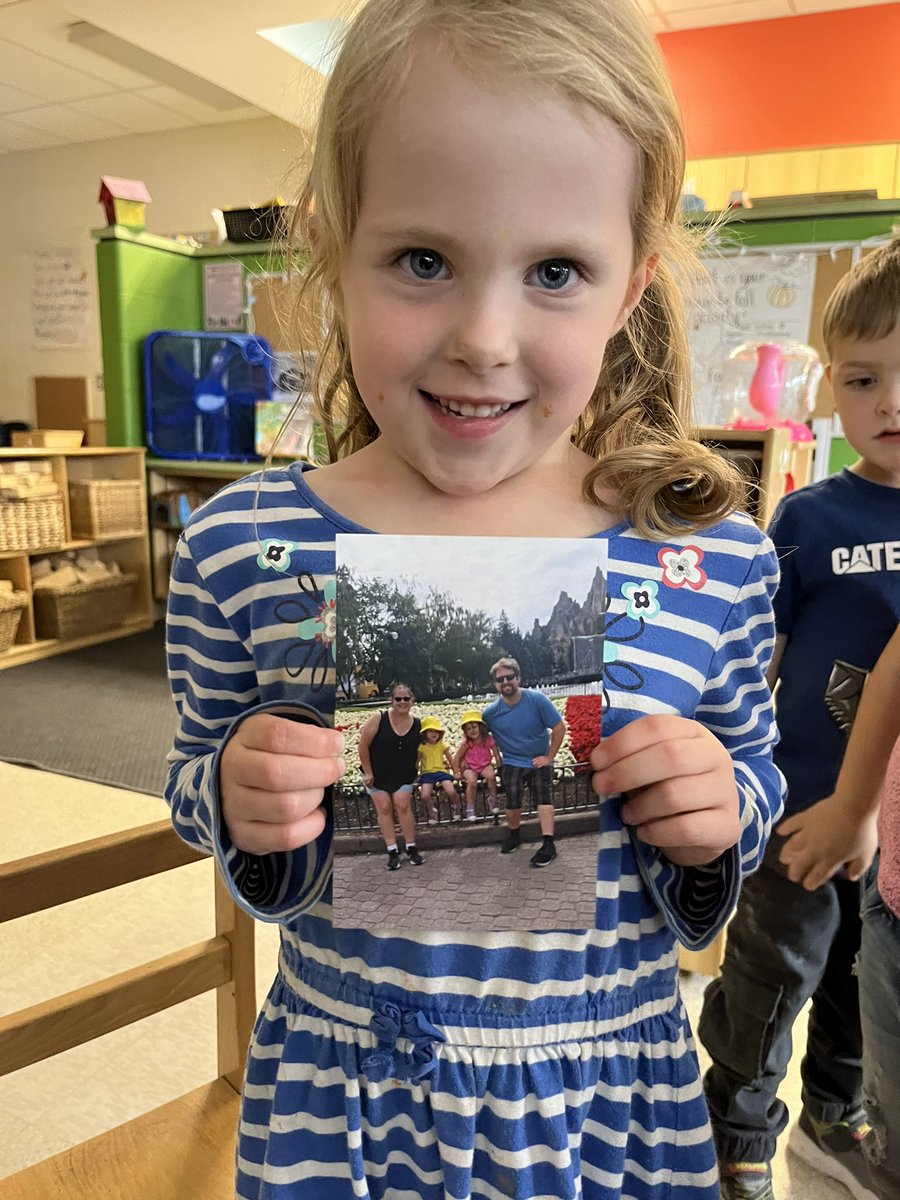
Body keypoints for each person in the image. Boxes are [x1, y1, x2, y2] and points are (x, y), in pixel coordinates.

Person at [163, 1, 785, 1195]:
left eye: (557, 271)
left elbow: (751, 774)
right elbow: (196, 783)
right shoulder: (243, 545)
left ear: (630, 286)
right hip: (344, 1105)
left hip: (607, 1100)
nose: (484, 339)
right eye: (423, 260)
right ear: (332, 248)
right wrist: (238, 784)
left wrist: (718, 809)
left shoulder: (707, 558)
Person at [699, 239, 900, 1200]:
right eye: (866, 380)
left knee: (865, 993)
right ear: (830, 387)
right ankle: (735, 1127)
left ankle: (835, 1114)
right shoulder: (810, 518)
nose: (891, 404)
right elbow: (757, 659)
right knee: (770, 982)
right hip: (802, 811)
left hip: (894, 835)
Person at [790, 622, 900, 1200]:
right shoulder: (810, 525)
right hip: (880, 876)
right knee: (788, 974)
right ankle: (749, 1132)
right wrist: (858, 807)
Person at [481, 658, 567, 863]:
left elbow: (558, 727)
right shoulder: (490, 714)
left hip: (538, 760)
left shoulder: (537, 699)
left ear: (518, 678)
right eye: (500, 679)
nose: (505, 682)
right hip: (512, 761)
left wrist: (549, 757)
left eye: (509, 677)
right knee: (512, 799)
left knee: (543, 797)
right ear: (495, 684)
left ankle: (548, 843)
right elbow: (478, 738)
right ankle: (514, 835)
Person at [357, 682, 424, 869]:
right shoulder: (379, 718)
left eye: (406, 699)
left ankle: (411, 847)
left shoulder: (418, 724)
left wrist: (418, 768)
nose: (402, 702)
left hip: (403, 774)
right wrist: (368, 772)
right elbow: (363, 745)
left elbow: (421, 749)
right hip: (378, 774)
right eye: (398, 699)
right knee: (384, 808)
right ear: (391, 701)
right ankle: (392, 850)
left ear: (412, 701)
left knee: (403, 804)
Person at [453, 708, 501, 820]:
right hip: (470, 767)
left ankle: (492, 799)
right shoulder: (466, 743)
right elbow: (457, 757)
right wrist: (456, 771)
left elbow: (497, 754)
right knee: (472, 781)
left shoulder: (488, 739)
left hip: (484, 765)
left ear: (480, 727)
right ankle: (470, 807)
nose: (472, 731)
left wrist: (499, 767)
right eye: (468, 729)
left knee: (491, 776)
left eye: (474, 727)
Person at [416, 714, 459, 823]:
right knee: (424, 795)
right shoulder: (422, 747)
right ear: (425, 734)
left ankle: (457, 806)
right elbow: (416, 762)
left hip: (441, 771)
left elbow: (450, 759)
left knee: (451, 790)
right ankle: (432, 810)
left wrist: (455, 772)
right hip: (427, 773)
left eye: (436, 731)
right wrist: (414, 775)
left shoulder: (441, 745)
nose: (434, 733)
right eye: (430, 731)